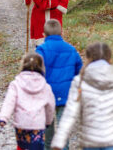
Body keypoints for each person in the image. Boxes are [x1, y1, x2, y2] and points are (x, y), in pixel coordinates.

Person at [51, 42, 113, 150]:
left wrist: (59, 141)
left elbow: (70, 112)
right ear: (109, 57)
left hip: (90, 142)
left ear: (88, 58)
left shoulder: (80, 81)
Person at [35, 19, 83, 150]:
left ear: (44, 35)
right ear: (61, 33)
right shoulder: (71, 50)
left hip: (46, 96)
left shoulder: (41, 50)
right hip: (66, 95)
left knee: (47, 131)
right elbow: (81, 71)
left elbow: (36, 73)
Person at [0, 52, 56, 150]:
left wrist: (4, 118)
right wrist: (48, 121)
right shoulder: (46, 87)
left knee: (22, 146)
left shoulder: (16, 84)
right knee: (37, 146)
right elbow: (50, 106)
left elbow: (9, 102)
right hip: (38, 124)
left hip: (21, 123)